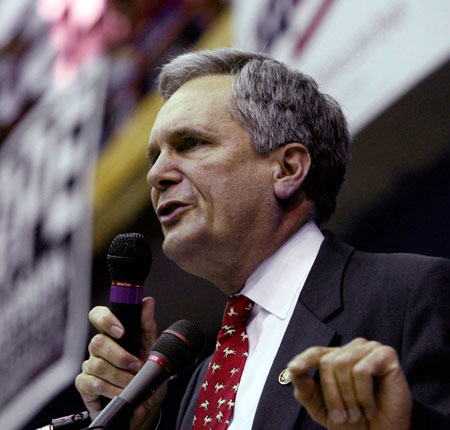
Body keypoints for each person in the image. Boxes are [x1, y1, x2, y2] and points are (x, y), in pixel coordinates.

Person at [75, 48, 450, 429]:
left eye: (190, 144)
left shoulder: (409, 295)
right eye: (154, 156)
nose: (156, 175)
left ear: (287, 169)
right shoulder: (200, 383)